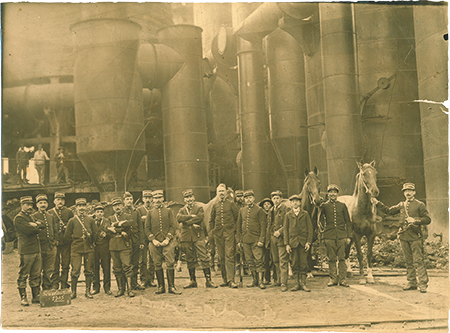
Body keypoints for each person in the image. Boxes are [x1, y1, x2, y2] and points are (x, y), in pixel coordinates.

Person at [372, 183, 431, 293]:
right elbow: (389, 210)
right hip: (403, 236)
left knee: (418, 260)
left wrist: (415, 221)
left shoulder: (420, 205)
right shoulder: (401, 205)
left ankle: (422, 283)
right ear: (403, 193)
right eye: (405, 191)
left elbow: (427, 219)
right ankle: (412, 282)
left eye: (410, 191)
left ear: (414, 192)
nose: (408, 193)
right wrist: (377, 203)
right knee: (408, 261)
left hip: (415, 236)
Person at [177, 189, 217, 289]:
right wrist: (191, 217)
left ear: (193, 198)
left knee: (204, 257)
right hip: (187, 237)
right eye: (187, 197)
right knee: (190, 259)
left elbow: (200, 218)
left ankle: (208, 281)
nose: (189, 199)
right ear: (184, 199)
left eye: (190, 197)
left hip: (198, 236)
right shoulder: (182, 210)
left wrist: (186, 221)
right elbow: (178, 218)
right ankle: (192, 281)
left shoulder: (199, 208)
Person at [145, 190, 181, 294]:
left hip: (167, 242)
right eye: (155, 198)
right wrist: (153, 240)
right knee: (157, 264)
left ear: (163, 199)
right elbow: (147, 229)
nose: (157, 200)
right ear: (153, 200)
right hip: (154, 243)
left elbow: (172, 226)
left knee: (170, 263)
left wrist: (167, 239)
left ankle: (171, 287)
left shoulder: (169, 211)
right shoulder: (150, 213)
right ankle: (161, 287)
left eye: (159, 198)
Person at [318, 184, 352, 287]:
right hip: (329, 235)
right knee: (331, 258)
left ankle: (342, 279)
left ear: (337, 194)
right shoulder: (324, 206)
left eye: (334, 192)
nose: (332, 194)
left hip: (341, 235)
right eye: (330, 192)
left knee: (342, 258)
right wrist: (323, 234)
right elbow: (319, 220)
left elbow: (348, 222)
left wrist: (348, 236)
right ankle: (333, 279)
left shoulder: (342, 205)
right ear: (327, 194)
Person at [64, 198, 98, 299]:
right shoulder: (72, 221)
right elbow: (66, 236)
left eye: (83, 206)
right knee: (75, 270)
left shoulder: (90, 220)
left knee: (89, 270)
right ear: (76, 208)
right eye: (79, 206)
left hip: (88, 248)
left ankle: (88, 291)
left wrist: (90, 237)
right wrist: (76, 240)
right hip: (76, 249)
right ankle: (73, 292)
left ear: (86, 207)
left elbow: (95, 234)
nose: (82, 208)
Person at [14, 196, 45, 306]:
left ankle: (35, 296)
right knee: (24, 274)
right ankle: (23, 297)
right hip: (26, 250)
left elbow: (43, 225)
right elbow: (28, 231)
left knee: (36, 274)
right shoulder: (19, 218)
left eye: (31, 205)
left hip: (36, 249)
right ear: (22, 205)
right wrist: (36, 225)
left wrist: (35, 224)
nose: (30, 207)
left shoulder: (30, 217)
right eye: (27, 205)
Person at [209, 184, 240, 288]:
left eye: (223, 191)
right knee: (221, 257)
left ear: (226, 192)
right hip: (218, 234)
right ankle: (224, 279)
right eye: (219, 191)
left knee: (229, 256)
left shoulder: (231, 204)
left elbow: (237, 218)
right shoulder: (215, 205)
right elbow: (211, 219)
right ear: (217, 193)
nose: (221, 193)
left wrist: (234, 230)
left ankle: (231, 280)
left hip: (229, 233)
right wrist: (213, 230)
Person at [237, 190, 267, 289]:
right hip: (245, 240)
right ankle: (254, 280)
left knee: (259, 260)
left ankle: (261, 281)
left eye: (250, 197)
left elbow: (263, 226)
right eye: (246, 198)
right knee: (249, 261)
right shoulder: (242, 210)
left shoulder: (259, 210)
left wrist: (261, 240)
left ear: (254, 198)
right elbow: (239, 227)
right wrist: (239, 240)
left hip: (256, 240)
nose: (248, 200)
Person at [284, 194, 313, 292]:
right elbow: (285, 230)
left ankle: (303, 284)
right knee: (295, 263)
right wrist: (287, 244)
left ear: (300, 203)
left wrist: (308, 242)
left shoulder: (305, 214)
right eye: (293, 201)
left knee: (304, 263)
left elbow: (310, 229)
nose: (295, 203)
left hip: (303, 243)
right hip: (293, 243)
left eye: (297, 201)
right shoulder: (288, 215)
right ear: (290, 204)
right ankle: (296, 284)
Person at [107, 197, 134, 297]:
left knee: (127, 266)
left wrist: (116, 226)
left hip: (124, 244)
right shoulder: (110, 218)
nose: (117, 207)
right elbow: (108, 229)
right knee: (117, 268)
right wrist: (121, 231)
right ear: (113, 208)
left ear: (122, 206)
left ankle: (129, 289)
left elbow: (130, 224)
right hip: (114, 245)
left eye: (118, 205)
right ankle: (120, 289)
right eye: (115, 206)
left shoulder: (128, 216)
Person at [32, 194, 58, 291]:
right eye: (40, 203)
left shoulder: (50, 216)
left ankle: (46, 289)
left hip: (51, 247)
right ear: (37, 205)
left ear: (47, 204)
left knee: (49, 270)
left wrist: (55, 241)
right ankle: (37, 293)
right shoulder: (33, 216)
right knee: (37, 271)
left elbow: (55, 230)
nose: (43, 205)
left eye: (45, 203)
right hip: (39, 248)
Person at [49, 192, 74, 290]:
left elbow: (72, 226)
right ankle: (55, 283)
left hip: (66, 242)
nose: (60, 202)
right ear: (54, 201)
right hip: (55, 242)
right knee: (55, 264)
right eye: (58, 199)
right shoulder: (50, 212)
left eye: (62, 200)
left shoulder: (69, 212)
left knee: (65, 263)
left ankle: (64, 283)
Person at [266, 190, 290, 290]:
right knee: (275, 260)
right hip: (273, 238)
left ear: (281, 199)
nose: (276, 200)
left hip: (281, 238)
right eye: (274, 198)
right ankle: (278, 280)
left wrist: (280, 231)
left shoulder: (286, 209)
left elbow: (287, 224)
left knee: (283, 260)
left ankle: (284, 282)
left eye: (277, 198)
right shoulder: (271, 210)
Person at [122, 192, 146, 291]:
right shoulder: (121, 211)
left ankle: (134, 283)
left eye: (131, 199)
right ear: (123, 201)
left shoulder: (136, 212)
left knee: (135, 263)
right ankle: (125, 285)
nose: (129, 201)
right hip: (125, 240)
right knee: (126, 263)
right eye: (127, 199)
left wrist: (141, 242)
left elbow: (140, 227)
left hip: (135, 240)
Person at [135, 190, 156, 288]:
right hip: (143, 237)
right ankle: (143, 279)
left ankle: (151, 279)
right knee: (142, 260)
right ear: (143, 199)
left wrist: (146, 218)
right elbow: (138, 223)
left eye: (149, 198)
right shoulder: (139, 210)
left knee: (152, 259)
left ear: (152, 199)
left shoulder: (154, 208)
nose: (148, 200)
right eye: (146, 198)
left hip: (152, 237)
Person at [92, 204, 112, 295]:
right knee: (95, 268)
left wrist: (106, 235)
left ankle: (107, 288)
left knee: (106, 267)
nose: (99, 214)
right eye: (97, 212)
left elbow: (112, 233)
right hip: (95, 247)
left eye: (101, 212)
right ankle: (96, 287)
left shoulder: (108, 221)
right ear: (95, 213)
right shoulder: (92, 221)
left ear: (103, 213)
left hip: (105, 247)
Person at [259, 197, 276, 285]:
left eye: (268, 204)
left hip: (272, 239)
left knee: (274, 259)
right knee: (265, 260)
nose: (266, 206)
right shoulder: (261, 214)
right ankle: (267, 278)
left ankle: (276, 278)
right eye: (265, 204)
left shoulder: (273, 213)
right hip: (264, 240)